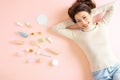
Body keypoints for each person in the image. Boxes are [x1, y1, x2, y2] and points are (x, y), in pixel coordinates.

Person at [53, 0, 120, 80]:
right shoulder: (77, 35)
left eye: (85, 17)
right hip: (99, 74)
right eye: (79, 21)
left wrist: (92, 12)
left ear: (91, 14)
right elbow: (56, 28)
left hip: (116, 67)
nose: (83, 22)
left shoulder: (103, 25)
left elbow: (113, 5)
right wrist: (75, 20)